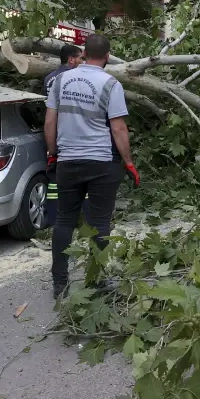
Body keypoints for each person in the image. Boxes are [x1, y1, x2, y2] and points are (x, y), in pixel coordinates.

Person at [44, 34, 139, 300]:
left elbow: (49, 122)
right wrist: (129, 163)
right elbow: (118, 128)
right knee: (99, 223)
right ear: (107, 56)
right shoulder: (111, 83)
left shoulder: (61, 79)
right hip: (101, 163)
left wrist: (53, 153)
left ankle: (59, 282)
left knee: (64, 220)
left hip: (68, 162)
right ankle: (97, 280)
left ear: (84, 53)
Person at [43, 44, 82, 229]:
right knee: (78, 179)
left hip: (53, 134)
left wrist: (51, 148)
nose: (82, 62)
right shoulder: (74, 79)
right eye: (80, 58)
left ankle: (54, 218)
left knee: (54, 180)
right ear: (71, 59)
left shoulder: (49, 79)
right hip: (71, 134)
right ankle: (78, 219)